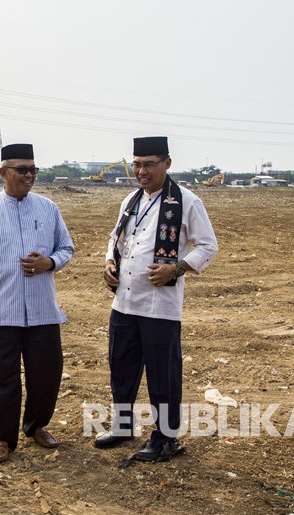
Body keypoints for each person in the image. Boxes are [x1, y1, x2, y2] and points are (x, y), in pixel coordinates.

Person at [96, 136, 218, 462]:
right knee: (121, 367)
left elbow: (207, 246)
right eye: (136, 164)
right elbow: (117, 240)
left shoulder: (186, 202)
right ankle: (123, 426)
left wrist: (176, 268)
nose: (141, 171)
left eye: (149, 164)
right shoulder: (130, 201)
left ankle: (166, 438)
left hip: (160, 305)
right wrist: (110, 262)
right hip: (124, 301)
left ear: (167, 163)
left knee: (162, 374)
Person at [0, 143, 75, 463]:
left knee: (46, 375)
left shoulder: (48, 208)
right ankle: (1, 436)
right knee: (0, 379)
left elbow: (66, 248)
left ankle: (36, 426)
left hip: (42, 310)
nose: (29, 175)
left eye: (33, 170)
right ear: (4, 173)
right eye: (22, 170)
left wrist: (50, 263)